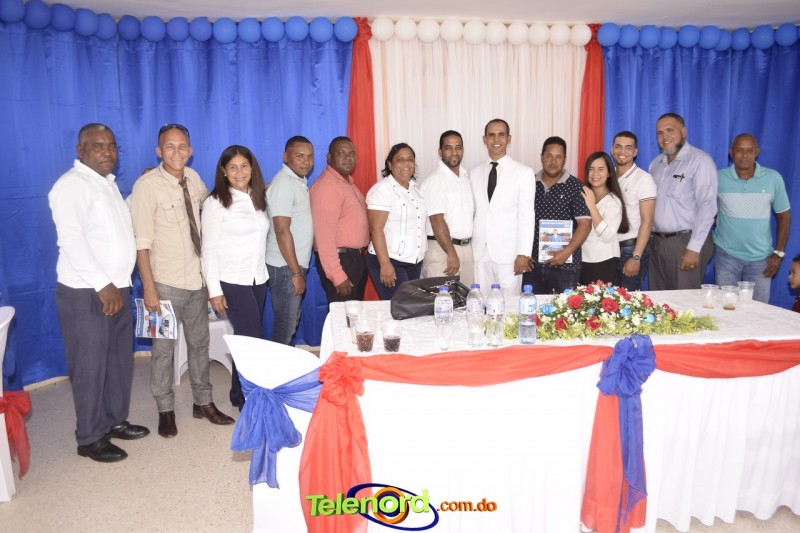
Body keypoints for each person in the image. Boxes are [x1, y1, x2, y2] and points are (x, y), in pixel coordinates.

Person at [49, 123, 149, 462]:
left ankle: (114, 421)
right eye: (97, 145)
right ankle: (90, 437)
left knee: (117, 363)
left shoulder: (106, 184)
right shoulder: (71, 186)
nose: (107, 151)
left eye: (111, 145)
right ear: (80, 151)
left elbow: (115, 227)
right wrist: (102, 284)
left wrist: (140, 189)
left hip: (117, 286)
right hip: (88, 292)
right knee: (90, 366)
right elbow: (71, 239)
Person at [130, 123, 234, 439]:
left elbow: (213, 204)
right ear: (158, 151)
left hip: (196, 282)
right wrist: (149, 288)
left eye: (182, 146)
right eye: (170, 146)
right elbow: (141, 244)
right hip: (163, 284)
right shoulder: (146, 186)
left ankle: (203, 402)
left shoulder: (193, 177)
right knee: (163, 350)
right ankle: (165, 409)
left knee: (200, 345)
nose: (177, 152)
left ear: (190, 150)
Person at [201, 145, 270, 410]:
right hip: (231, 280)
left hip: (257, 279)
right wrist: (214, 290)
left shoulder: (258, 197)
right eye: (233, 167)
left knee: (246, 338)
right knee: (251, 340)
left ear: (252, 168)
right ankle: (250, 399)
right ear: (223, 171)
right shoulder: (215, 202)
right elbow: (208, 250)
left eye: (244, 166)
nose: (239, 172)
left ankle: (238, 394)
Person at [713, 134, 791, 303]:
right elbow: (707, 210)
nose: (745, 155)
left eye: (749, 151)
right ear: (731, 152)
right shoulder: (718, 178)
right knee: (725, 308)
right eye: (739, 150)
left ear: (757, 152)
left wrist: (778, 253)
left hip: (761, 260)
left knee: (757, 311)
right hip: (726, 256)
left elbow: (784, 216)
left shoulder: (773, 178)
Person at [648, 113, 717, 290]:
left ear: (683, 132)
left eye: (670, 130)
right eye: (660, 133)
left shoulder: (700, 160)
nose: (665, 136)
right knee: (659, 301)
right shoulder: (655, 164)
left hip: (686, 242)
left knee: (685, 301)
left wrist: (694, 248)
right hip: (656, 244)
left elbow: (707, 207)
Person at [470, 119, 535, 299]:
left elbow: (527, 216)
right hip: (480, 253)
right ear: (484, 139)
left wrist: (524, 253)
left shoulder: (523, 173)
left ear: (509, 138)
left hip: (509, 255)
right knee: (481, 304)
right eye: (491, 135)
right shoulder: (474, 173)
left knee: (509, 306)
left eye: (501, 135)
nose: (496, 139)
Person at [523, 136, 591, 294]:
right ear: (541, 157)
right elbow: (518, 220)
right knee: (531, 307)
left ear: (565, 160)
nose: (553, 161)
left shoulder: (576, 186)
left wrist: (565, 253)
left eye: (558, 157)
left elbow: (585, 225)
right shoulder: (528, 183)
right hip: (532, 266)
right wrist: (523, 252)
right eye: (549, 156)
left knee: (564, 309)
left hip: (566, 267)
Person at [266, 136, 315, 344]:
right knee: (286, 326)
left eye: (310, 156)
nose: (306, 161)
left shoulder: (297, 181)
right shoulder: (284, 183)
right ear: (285, 157)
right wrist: (295, 273)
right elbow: (281, 230)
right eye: (300, 156)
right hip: (285, 267)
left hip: (291, 265)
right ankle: (277, 365)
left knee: (290, 322)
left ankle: (281, 361)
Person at [309, 137, 369, 303]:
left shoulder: (347, 183)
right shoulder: (327, 186)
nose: (348, 158)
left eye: (351, 154)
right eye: (341, 154)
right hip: (342, 261)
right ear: (329, 157)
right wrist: (337, 275)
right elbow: (324, 237)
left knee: (353, 313)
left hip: (354, 259)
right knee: (342, 314)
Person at [366, 143, 427, 300]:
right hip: (390, 261)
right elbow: (376, 229)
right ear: (390, 164)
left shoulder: (414, 190)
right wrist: (385, 264)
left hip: (413, 262)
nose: (406, 164)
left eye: (410, 159)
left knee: (410, 307)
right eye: (400, 159)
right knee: (399, 307)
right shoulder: (382, 190)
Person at [420, 130, 475, 285]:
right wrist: (451, 253)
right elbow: (437, 220)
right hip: (443, 250)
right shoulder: (436, 180)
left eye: (458, 147)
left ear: (463, 150)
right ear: (440, 152)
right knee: (442, 299)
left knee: (465, 298)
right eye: (448, 148)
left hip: (465, 249)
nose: (454, 152)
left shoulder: (464, 177)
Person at [610, 131, 657, 291]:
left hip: (630, 250)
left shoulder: (644, 179)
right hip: (610, 249)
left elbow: (647, 221)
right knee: (607, 299)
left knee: (628, 301)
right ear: (612, 149)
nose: (622, 151)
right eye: (618, 146)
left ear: (635, 152)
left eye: (628, 148)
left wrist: (636, 257)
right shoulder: (608, 177)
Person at [580, 152, 630, 285]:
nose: (595, 173)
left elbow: (607, 235)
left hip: (602, 262)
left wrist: (592, 206)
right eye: (591, 169)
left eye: (601, 169)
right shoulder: (582, 195)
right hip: (581, 260)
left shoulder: (613, 201)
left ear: (609, 173)